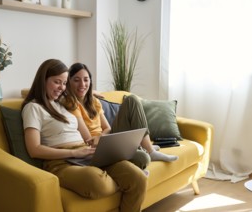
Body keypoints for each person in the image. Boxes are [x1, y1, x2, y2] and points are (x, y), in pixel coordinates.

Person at [21, 59, 147, 212]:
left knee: (138, 178)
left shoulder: (63, 103)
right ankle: (124, 183)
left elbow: (79, 95)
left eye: (64, 83)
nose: (61, 87)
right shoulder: (33, 108)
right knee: (98, 182)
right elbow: (34, 149)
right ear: (43, 80)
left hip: (87, 153)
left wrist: (91, 91)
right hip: (61, 162)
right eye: (56, 82)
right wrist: (74, 152)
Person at [63, 62, 178, 163]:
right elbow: (88, 140)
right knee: (142, 158)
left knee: (132, 100)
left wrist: (101, 136)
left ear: (90, 81)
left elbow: (107, 128)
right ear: (68, 82)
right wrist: (99, 139)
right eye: (76, 80)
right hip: (95, 148)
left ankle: (149, 149)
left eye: (86, 79)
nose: (82, 84)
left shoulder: (94, 101)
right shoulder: (71, 104)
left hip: (107, 139)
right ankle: (142, 148)